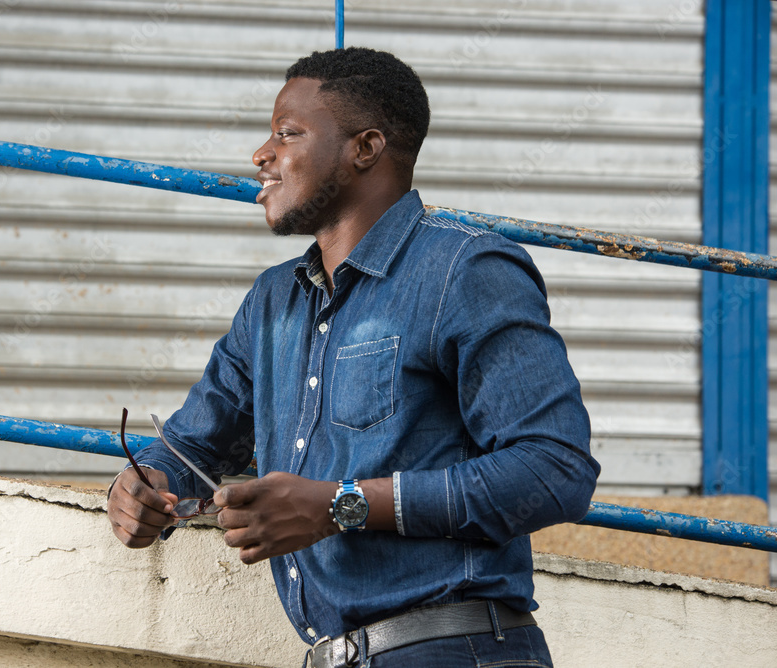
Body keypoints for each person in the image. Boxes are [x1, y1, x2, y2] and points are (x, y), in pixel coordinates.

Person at [107, 47, 600, 668]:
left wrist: (340, 504)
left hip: (455, 650)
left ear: (364, 148)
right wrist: (145, 486)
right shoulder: (272, 303)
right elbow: (192, 446)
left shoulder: (463, 271)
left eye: (288, 134)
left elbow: (555, 471)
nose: (261, 156)